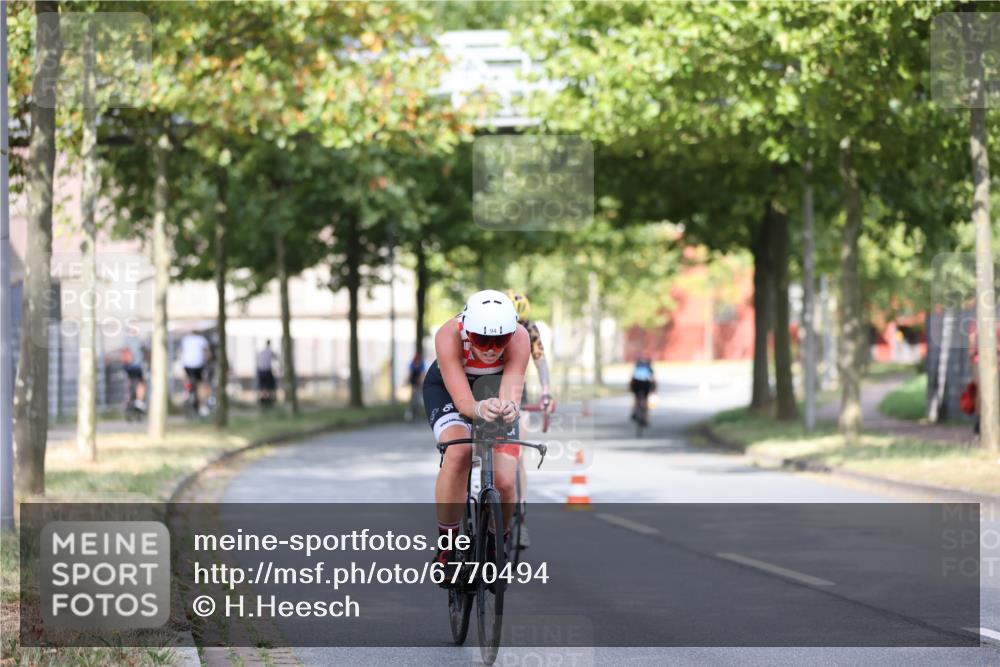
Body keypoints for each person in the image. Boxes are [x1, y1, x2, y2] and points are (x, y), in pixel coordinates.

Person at [424, 289, 529, 572]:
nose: (492, 348)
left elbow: (510, 395)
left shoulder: (520, 336)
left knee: (506, 481)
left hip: (493, 389)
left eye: (500, 339)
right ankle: (447, 546)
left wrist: (507, 409)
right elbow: (463, 402)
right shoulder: (448, 334)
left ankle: (497, 539)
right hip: (450, 391)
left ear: (511, 331)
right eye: (482, 339)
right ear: (467, 329)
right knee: (460, 451)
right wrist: (479, 410)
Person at [180, 331, 212, 414]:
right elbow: (208, 353)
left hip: (187, 365)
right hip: (198, 364)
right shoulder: (202, 339)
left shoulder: (185, 339)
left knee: (187, 378)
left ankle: (186, 391)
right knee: (200, 384)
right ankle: (202, 406)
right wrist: (209, 360)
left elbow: (182, 352)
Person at [629, 356, 657, 424]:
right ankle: (646, 419)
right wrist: (654, 389)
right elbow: (653, 379)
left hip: (636, 383)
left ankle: (635, 411)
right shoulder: (649, 367)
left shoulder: (637, 366)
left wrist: (630, 387)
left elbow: (632, 377)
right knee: (646, 399)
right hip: (646, 383)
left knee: (636, 398)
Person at [405, 351, 426, 421]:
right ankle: (411, 413)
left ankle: (417, 415)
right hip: (413, 384)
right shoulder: (412, 364)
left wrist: (421, 382)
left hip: (419, 384)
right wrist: (407, 381)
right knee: (413, 399)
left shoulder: (421, 364)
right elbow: (410, 374)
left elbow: (422, 374)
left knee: (418, 400)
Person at [256, 340, 278, 406]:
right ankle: (268, 400)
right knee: (269, 386)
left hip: (260, 370)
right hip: (267, 370)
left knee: (262, 386)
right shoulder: (270, 351)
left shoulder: (261, 351)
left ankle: (263, 399)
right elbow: (276, 357)